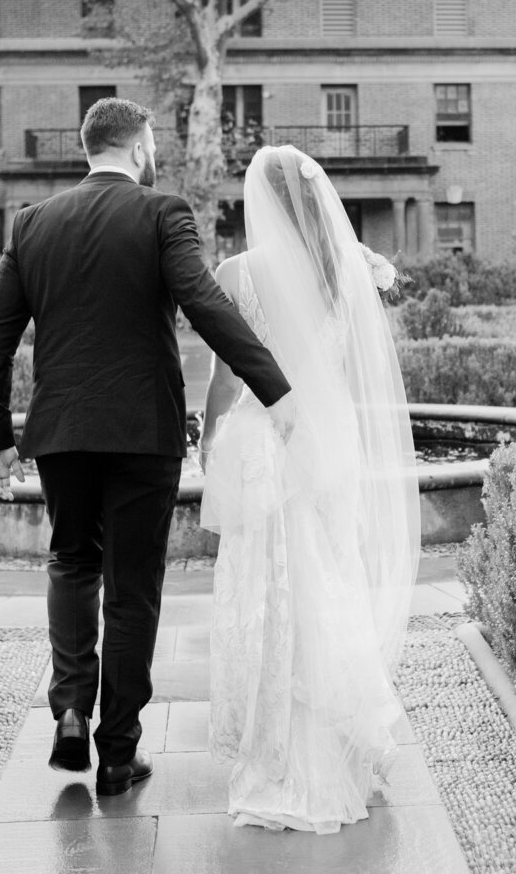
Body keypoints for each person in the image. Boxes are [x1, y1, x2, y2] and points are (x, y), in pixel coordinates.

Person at [0, 98, 298, 797]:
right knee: (132, 590)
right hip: (143, 433)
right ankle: (118, 751)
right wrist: (276, 389)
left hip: (61, 431)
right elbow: (208, 303)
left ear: (88, 148)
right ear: (140, 145)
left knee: (71, 561)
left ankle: (68, 707)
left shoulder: (32, 225)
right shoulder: (162, 212)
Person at [198, 144, 420, 833]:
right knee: (331, 580)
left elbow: (228, 378)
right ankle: (343, 739)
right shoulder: (342, 271)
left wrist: (208, 441)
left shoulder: (239, 273)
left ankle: (280, 757)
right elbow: (354, 373)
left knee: (273, 593)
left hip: (269, 448)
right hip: (331, 444)